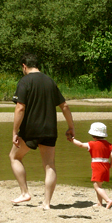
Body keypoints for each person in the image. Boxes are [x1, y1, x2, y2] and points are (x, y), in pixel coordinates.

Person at [9, 54, 75, 209]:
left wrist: (14, 131)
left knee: (14, 157)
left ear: (24, 66)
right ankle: (47, 203)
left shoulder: (24, 81)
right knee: (49, 165)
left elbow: (20, 107)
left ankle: (25, 193)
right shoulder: (49, 81)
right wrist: (71, 126)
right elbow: (64, 106)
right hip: (49, 128)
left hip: (31, 129)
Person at [69, 121, 112, 209]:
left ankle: (108, 200)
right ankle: (99, 203)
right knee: (99, 185)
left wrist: (73, 140)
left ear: (93, 135)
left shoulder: (92, 144)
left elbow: (81, 144)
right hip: (106, 165)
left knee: (96, 186)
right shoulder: (109, 145)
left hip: (97, 166)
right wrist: (111, 164)